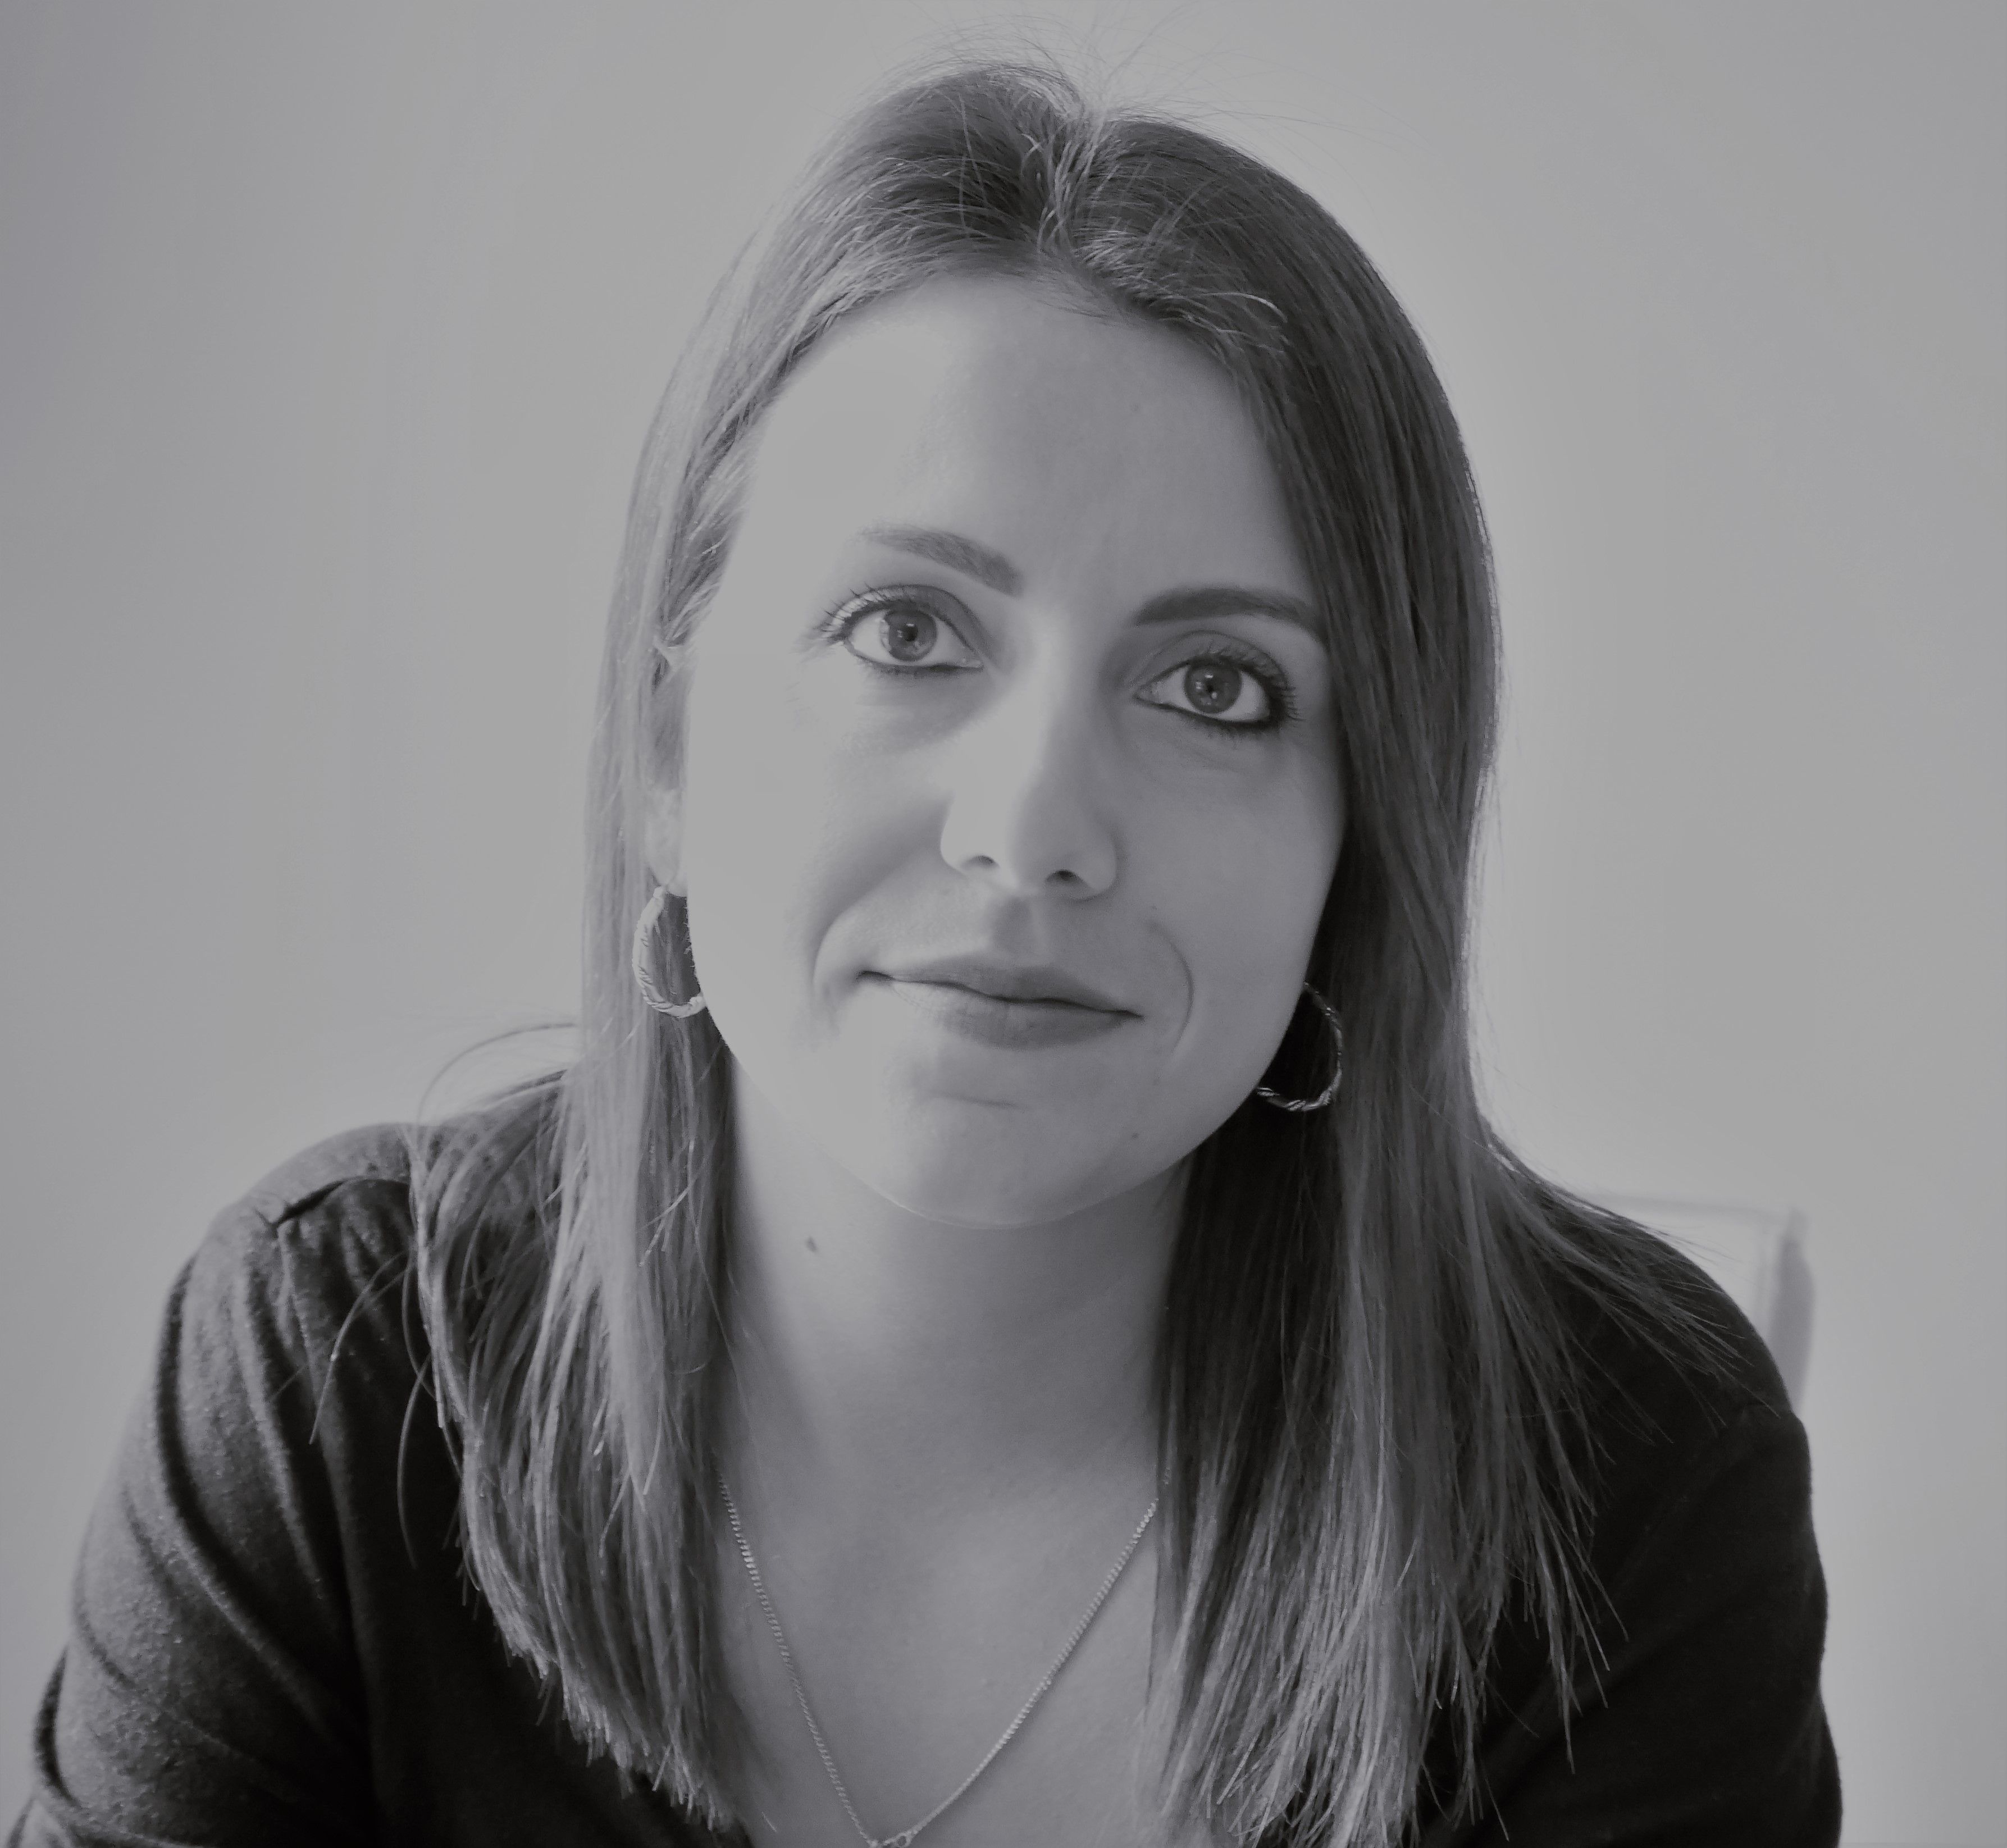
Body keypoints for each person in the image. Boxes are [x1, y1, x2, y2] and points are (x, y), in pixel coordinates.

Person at [11, 54, 1840, 1848]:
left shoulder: (1624, 1477)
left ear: (1358, 847)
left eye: (1216, 687)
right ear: (667, 752)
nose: (1031, 828)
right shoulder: (329, 1374)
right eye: (906, 629)